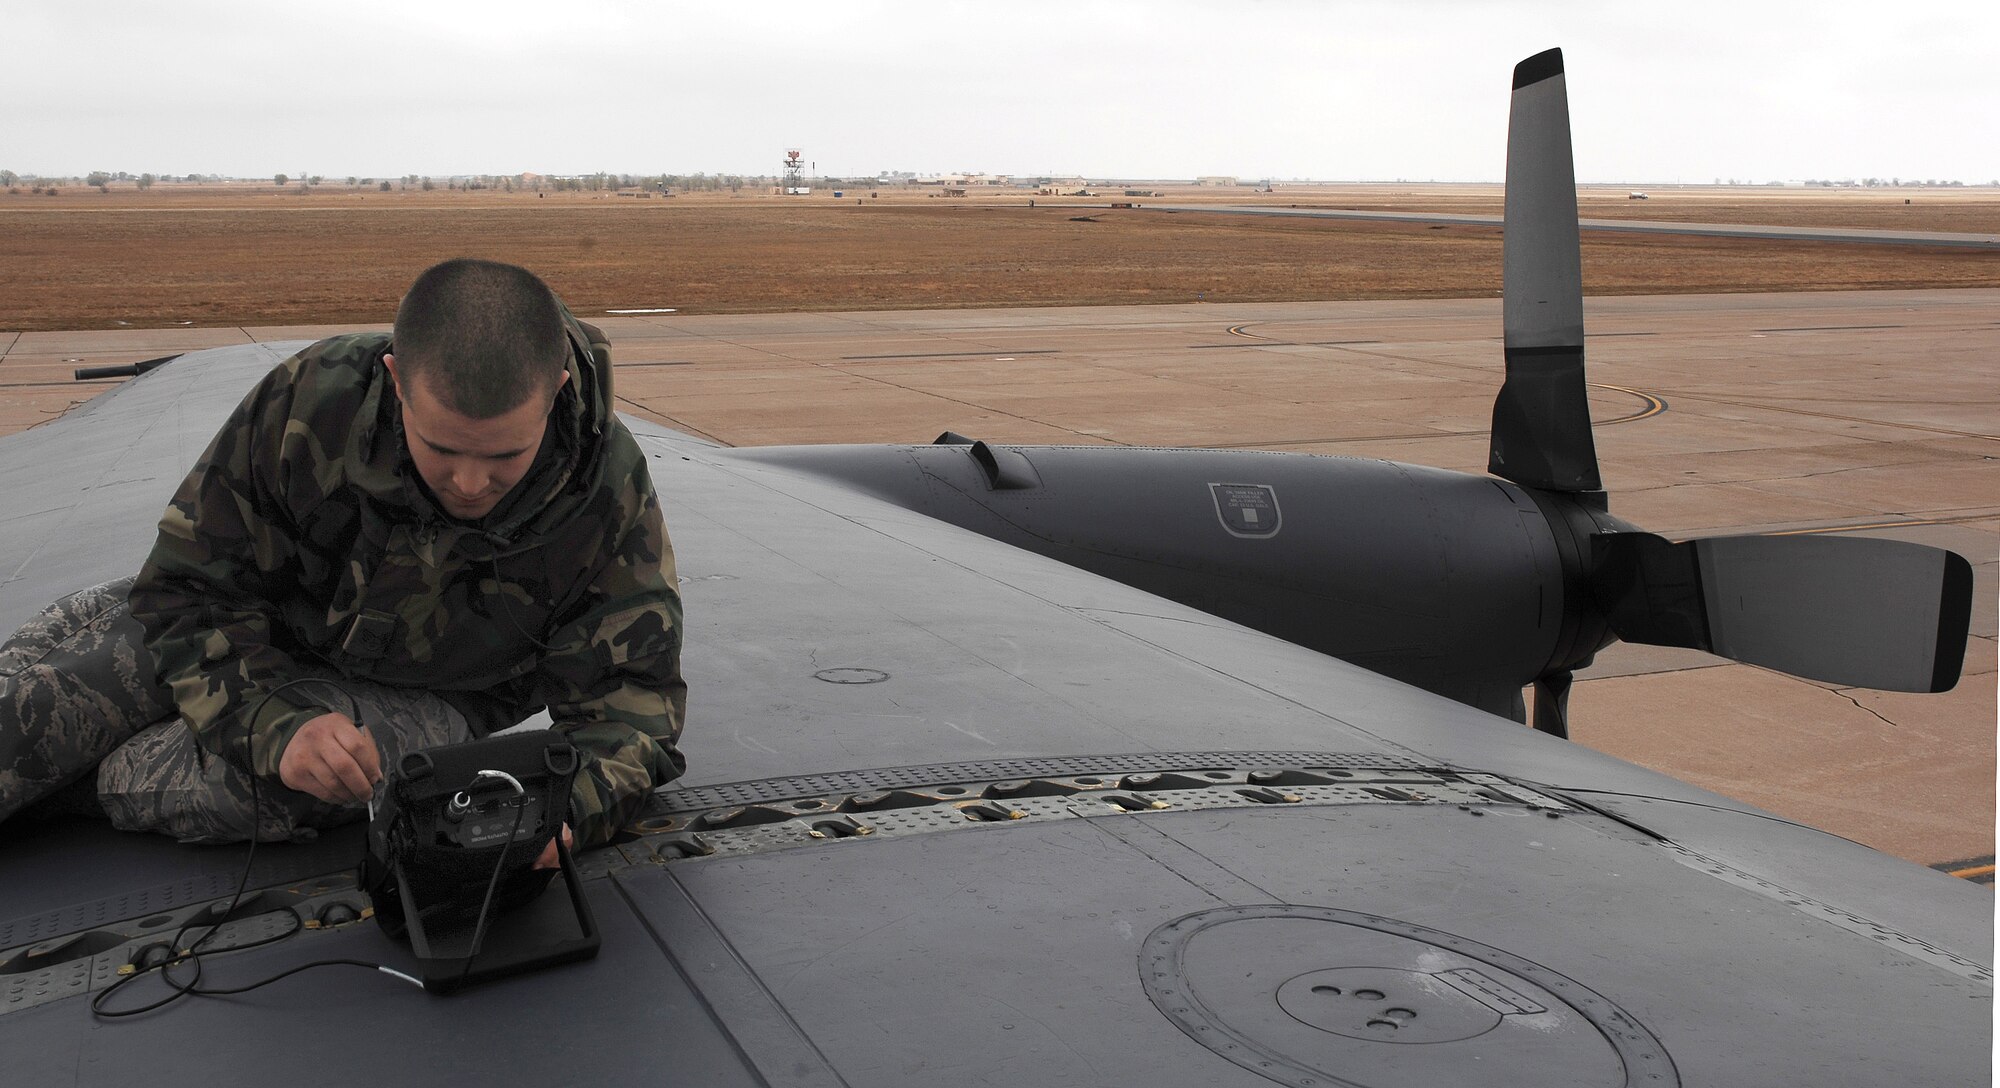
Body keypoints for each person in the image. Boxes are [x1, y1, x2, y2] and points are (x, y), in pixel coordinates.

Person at [0, 259, 686, 864]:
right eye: (442, 449)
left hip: (431, 693)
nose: (471, 484)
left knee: (267, 795)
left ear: (559, 389)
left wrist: (565, 814)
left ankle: (66, 783)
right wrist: (277, 720)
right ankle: (82, 646)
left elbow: (632, 709)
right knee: (39, 714)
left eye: (505, 457)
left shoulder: (607, 489)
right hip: (254, 632)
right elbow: (190, 591)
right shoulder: (310, 401)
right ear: (395, 382)